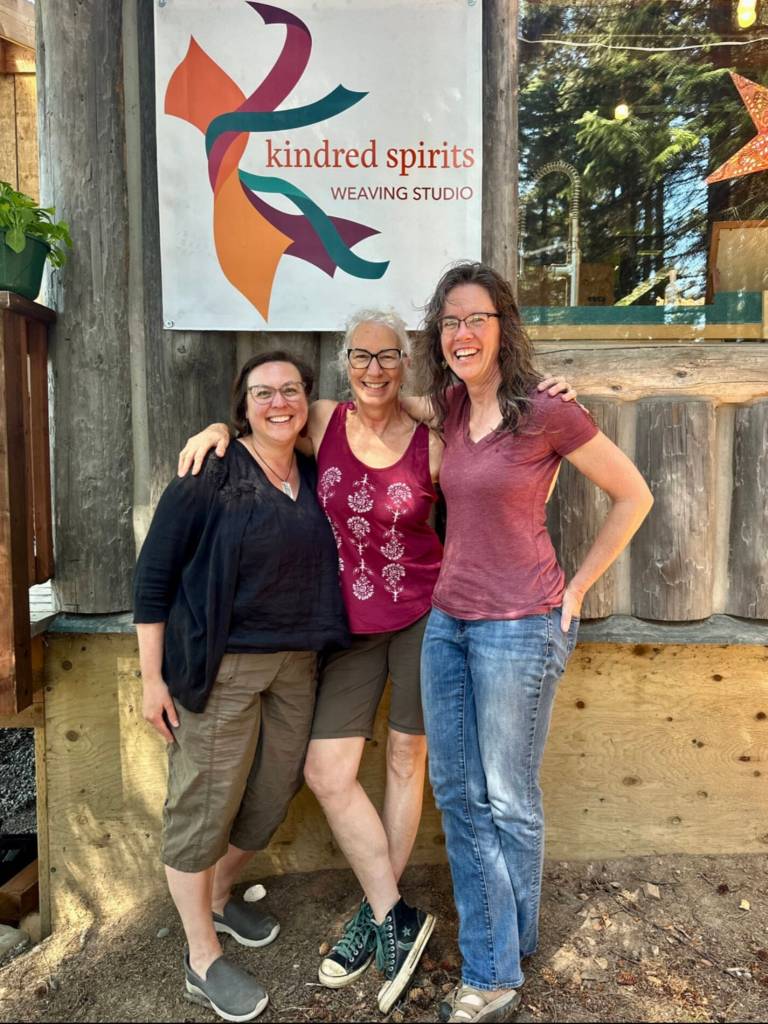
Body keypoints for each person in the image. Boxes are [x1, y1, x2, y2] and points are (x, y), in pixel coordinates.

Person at [177, 311, 576, 1014]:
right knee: (325, 771)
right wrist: (216, 430)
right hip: (347, 629)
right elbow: (263, 425)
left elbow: (513, 469)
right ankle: (395, 912)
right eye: (361, 356)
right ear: (345, 362)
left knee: (403, 758)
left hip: (426, 618)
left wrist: (554, 404)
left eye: (388, 356)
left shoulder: (434, 437)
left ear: (406, 362)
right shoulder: (321, 417)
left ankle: (379, 915)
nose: (374, 369)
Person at [410, 262, 654, 1024]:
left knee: (509, 798)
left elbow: (633, 494)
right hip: (447, 626)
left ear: (503, 327)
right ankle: (508, 948)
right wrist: (231, 425)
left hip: (521, 626)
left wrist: (576, 591)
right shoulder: (453, 405)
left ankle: (493, 973)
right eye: (450, 321)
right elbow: (377, 396)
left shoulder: (545, 410)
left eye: (476, 319)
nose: (462, 333)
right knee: (458, 795)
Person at [134, 351, 349, 1023]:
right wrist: (151, 677)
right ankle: (201, 959)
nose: (278, 402)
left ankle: (220, 896)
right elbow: (153, 576)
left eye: (290, 390)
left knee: (273, 790)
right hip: (223, 666)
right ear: (243, 406)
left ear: (306, 399)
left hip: (298, 664)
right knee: (204, 803)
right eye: (263, 393)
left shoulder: (315, 471)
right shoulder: (212, 470)